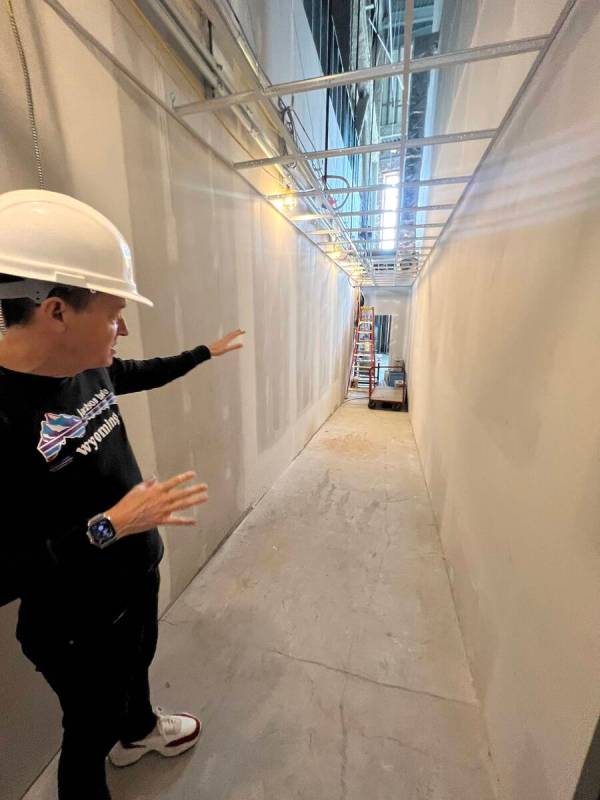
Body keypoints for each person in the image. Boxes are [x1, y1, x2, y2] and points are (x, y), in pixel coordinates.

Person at [0, 189, 245, 800]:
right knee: (88, 731)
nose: (123, 327)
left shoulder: (83, 360)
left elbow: (131, 373)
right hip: (74, 624)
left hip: (133, 578)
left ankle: (137, 733)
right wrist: (109, 524)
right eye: (114, 313)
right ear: (56, 312)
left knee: (136, 670)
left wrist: (202, 354)